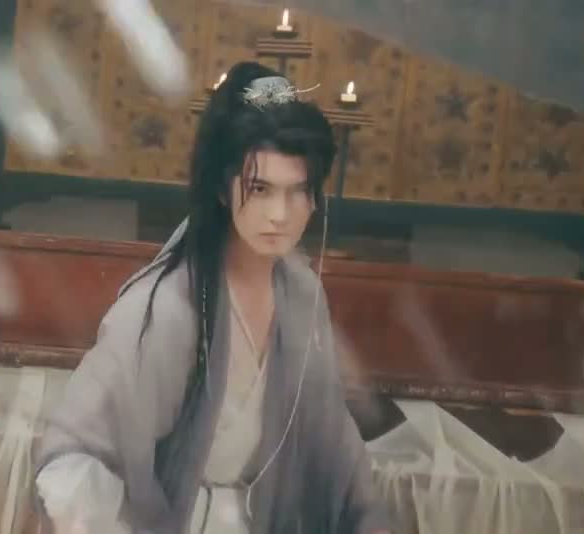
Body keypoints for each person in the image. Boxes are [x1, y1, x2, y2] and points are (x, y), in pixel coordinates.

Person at [33, 61, 390, 534]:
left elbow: (333, 436)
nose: (279, 214)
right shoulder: (167, 309)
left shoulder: (303, 295)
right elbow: (75, 456)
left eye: (297, 192)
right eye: (259, 189)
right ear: (223, 190)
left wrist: (370, 519)